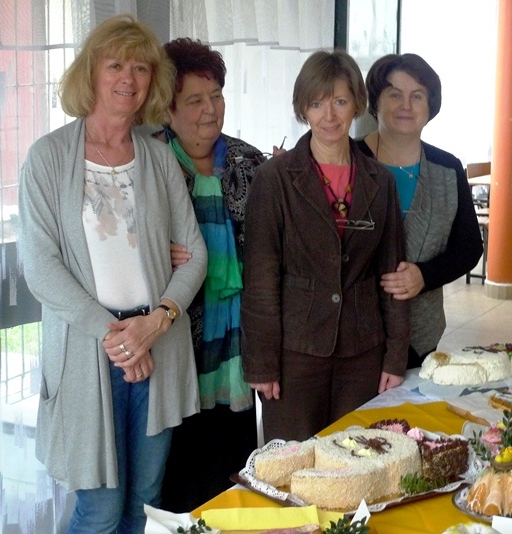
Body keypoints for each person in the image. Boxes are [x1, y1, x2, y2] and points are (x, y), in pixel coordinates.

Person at [18, 15, 207, 533]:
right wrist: (120, 339)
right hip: (88, 351)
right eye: (115, 65)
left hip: (158, 344)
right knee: (99, 510)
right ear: (91, 73)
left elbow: (195, 254)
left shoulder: (159, 159)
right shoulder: (48, 158)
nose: (129, 77)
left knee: (144, 501)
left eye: (141, 68)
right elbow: (41, 268)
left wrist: (156, 322)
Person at [240, 50, 410, 442]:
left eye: (339, 102)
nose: (329, 116)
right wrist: (262, 363)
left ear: (356, 105)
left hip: (363, 350)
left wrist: (395, 356)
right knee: (293, 464)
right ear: (303, 108)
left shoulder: (380, 181)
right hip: (295, 352)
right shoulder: (274, 179)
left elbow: (393, 274)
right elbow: (261, 278)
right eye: (317, 104)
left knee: (358, 459)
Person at [152, 38, 267, 512]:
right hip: (172, 346)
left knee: (232, 476)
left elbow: (272, 250)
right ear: (167, 108)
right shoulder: (148, 164)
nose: (210, 110)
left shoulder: (251, 163)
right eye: (194, 100)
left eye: (216, 96)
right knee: (176, 480)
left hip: (237, 349)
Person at [357, 53, 483, 369]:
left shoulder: (448, 168)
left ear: (430, 106)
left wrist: (424, 275)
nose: (406, 105)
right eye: (394, 94)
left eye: (417, 96)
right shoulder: (348, 159)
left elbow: (469, 248)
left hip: (421, 335)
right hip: (353, 333)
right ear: (375, 101)